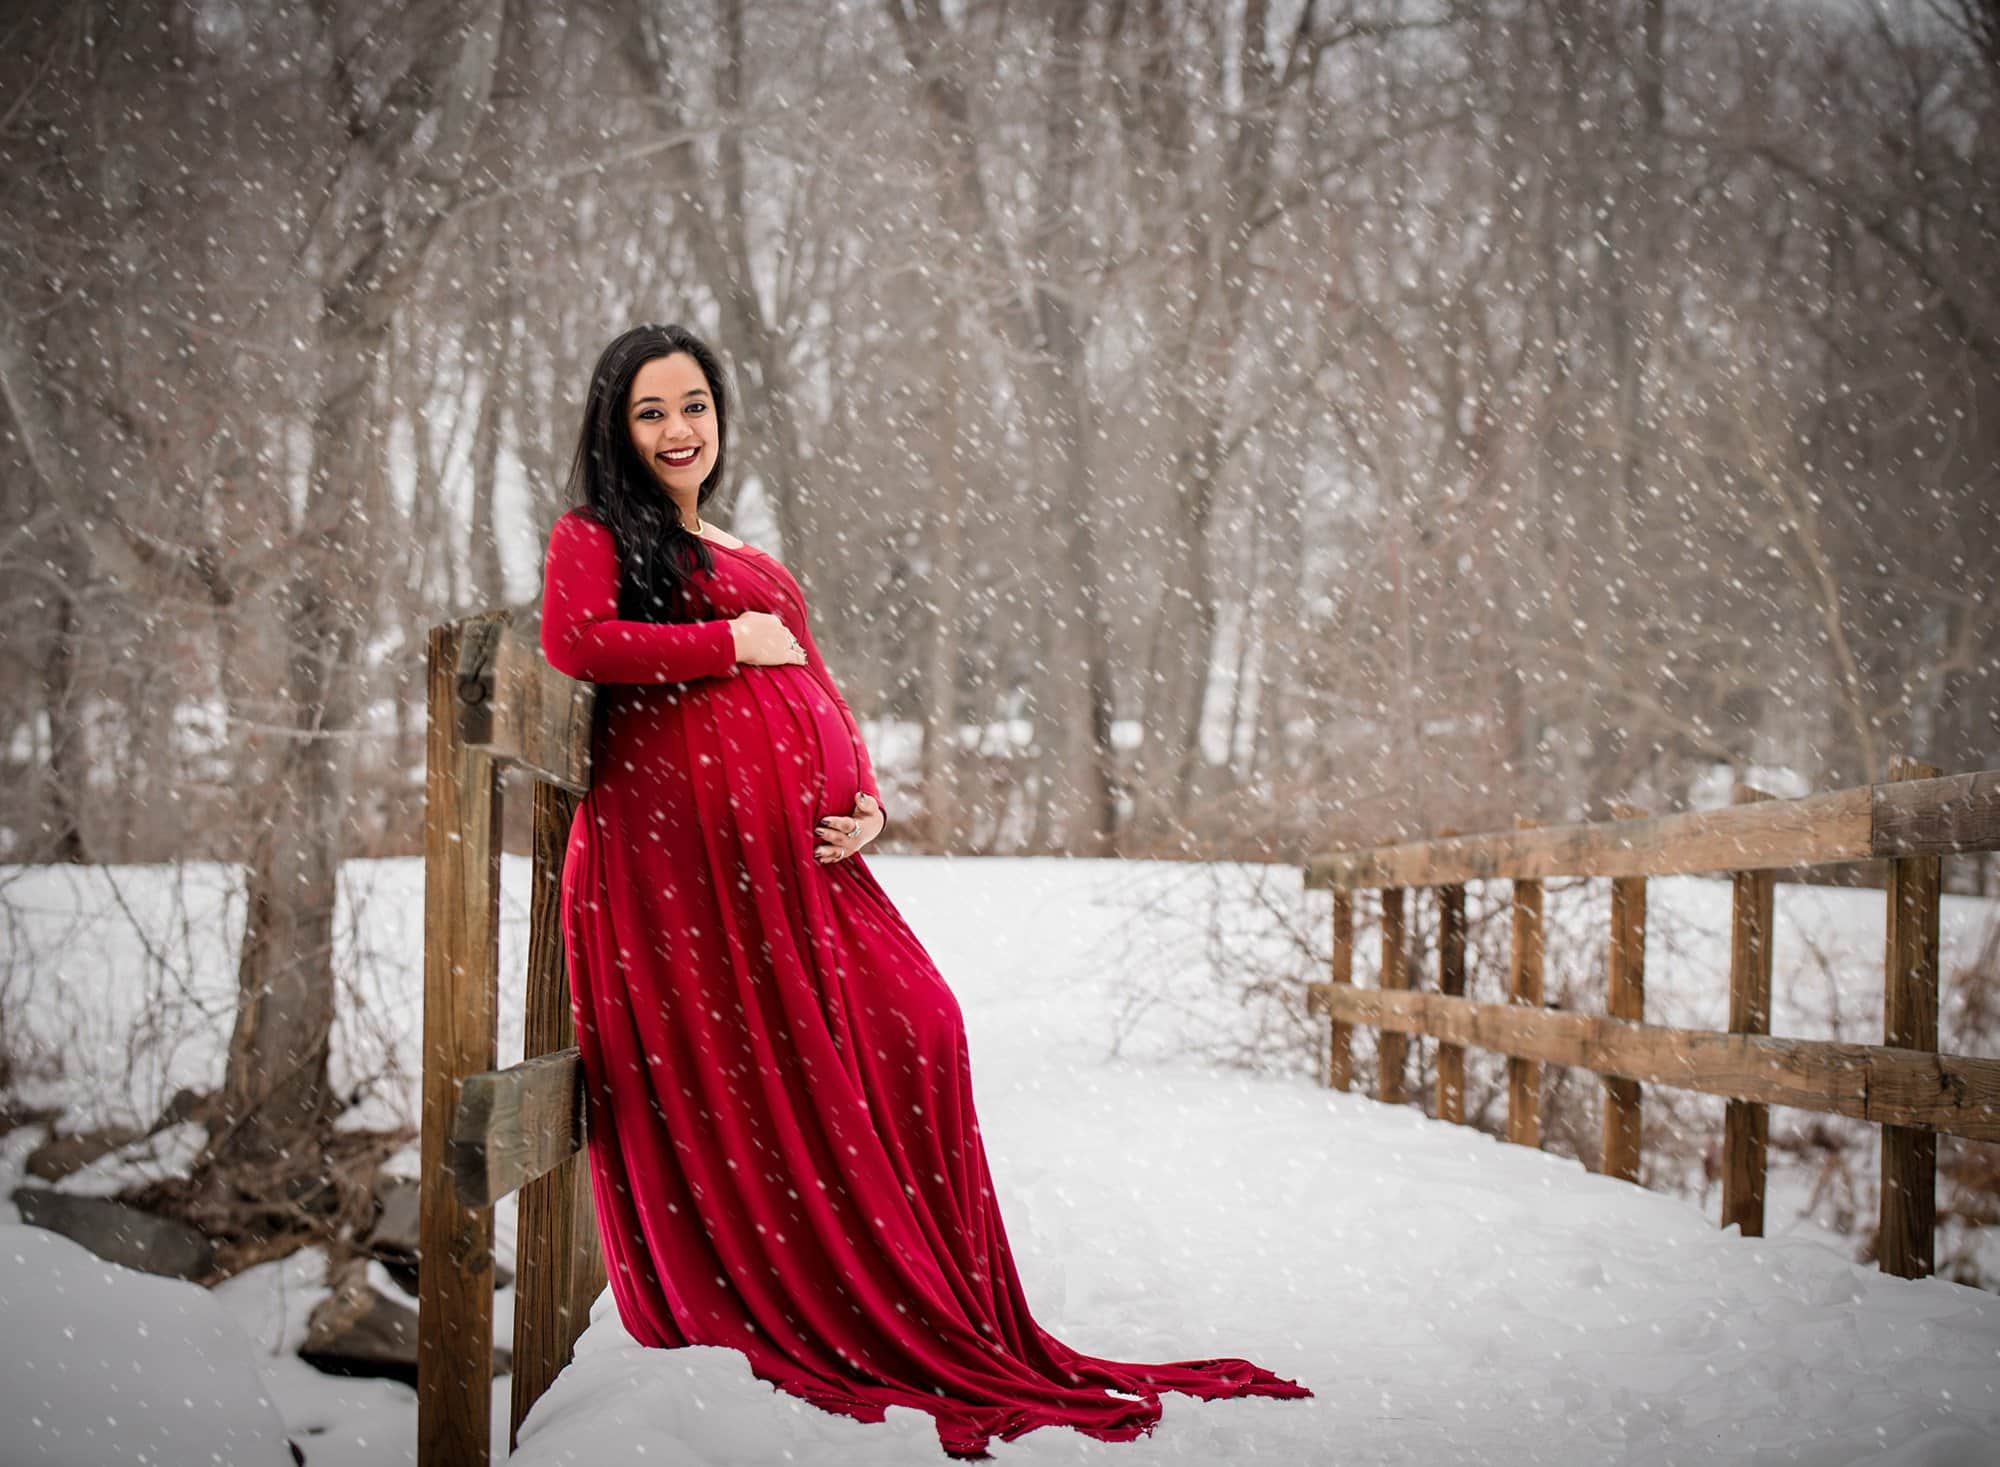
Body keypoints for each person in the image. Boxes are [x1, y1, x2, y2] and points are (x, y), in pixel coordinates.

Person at [541, 322, 1312, 1459]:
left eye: (692, 405)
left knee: (919, 1026)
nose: (675, 430)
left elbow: (819, 683)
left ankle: (911, 1296)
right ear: (617, 426)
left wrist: (860, 796)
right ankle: (789, 1296)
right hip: (679, 874)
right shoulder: (595, 533)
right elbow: (576, 643)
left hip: (796, 868)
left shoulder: (741, 547)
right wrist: (724, 648)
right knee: (752, 1078)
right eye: (650, 411)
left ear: (720, 415)